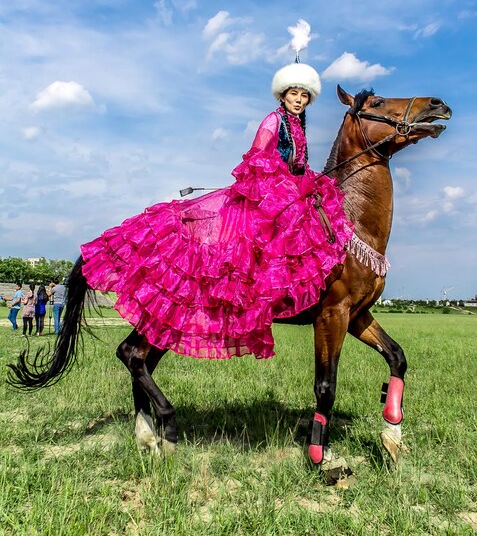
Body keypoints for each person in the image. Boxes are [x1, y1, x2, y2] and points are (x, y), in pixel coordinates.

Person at [80, 61, 354, 359]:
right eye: (294, 94)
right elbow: (257, 159)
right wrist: (282, 182)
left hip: (288, 191)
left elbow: (297, 164)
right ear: (283, 95)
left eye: (304, 95)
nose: (299, 100)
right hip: (266, 194)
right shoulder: (273, 121)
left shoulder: (298, 125)